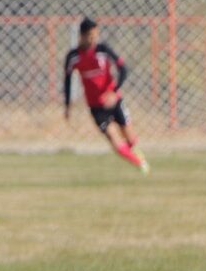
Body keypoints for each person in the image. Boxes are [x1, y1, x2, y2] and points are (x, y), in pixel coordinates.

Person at [63, 17, 149, 173]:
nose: (94, 39)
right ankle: (140, 164)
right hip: (96, 107)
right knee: (115, 142)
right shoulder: (73, 56)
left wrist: (113, 92)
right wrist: (68, 106)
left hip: (114, 102)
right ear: (82, 35)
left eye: (96, 35)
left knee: (130, 138)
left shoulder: (103, 50)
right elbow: (67, 81)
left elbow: (123, 70)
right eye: (91, 36)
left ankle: (136, 155)